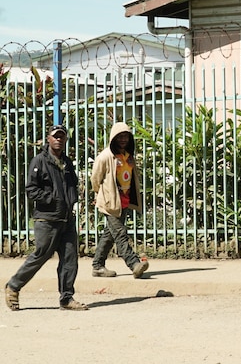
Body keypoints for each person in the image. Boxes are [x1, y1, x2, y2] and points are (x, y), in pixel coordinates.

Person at [4, 124, 88, 311]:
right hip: (47, 219)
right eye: (55, 136)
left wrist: (72, 201)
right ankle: (13, 286)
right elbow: (31, 189)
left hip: (66, 219)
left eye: (62, 136)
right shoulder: (39, 161)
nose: (58, 139)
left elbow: (72, 184)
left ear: (65, 140)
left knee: (69, 259)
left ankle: (66, 298)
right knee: (41, 255)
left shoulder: (67, 162)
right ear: (48, 139)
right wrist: (52, 200)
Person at [90, 122, 149, 279]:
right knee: (120, 234)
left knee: (109, 235)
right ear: (113, 138)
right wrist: (100, 194)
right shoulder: (105, 157)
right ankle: (134, 264)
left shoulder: (128, 157)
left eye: (126, 136)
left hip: (123, 201)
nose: (123, 140)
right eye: (120, 136)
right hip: (110, 202)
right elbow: (95, 179)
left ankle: (98, 266)